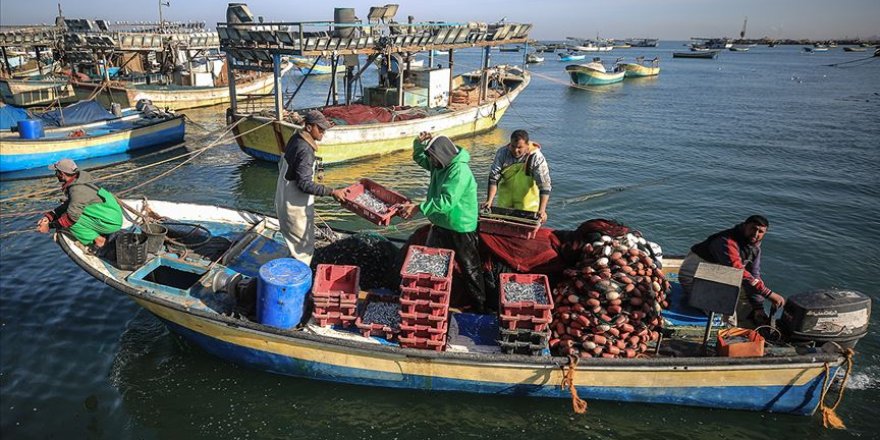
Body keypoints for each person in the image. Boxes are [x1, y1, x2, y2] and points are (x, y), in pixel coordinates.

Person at [398, 132, 487, 311]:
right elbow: (420, 158)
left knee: (469, 269)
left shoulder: (459, 171)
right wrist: (418, 143)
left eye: (433, 158)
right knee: (429, 261)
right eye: (431, 158)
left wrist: (418, 208)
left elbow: (446, 202)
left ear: (443, 155)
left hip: (460, 226)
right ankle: (428, 300)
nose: (431, 162)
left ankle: (480, 306)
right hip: (440, 223)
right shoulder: (439, 164)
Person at [678, 215, 786, 327]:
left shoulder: (754, 246)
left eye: (760, 231)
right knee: (717, 312)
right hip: (693, 274)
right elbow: (738, 270)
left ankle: (747, 318)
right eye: (753, 228)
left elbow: (754, 274)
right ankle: (723, 329)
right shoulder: (727, 241)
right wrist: (769, 294)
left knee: (739, 298)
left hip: (716, 272)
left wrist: (758, 306)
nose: (755, 234)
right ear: (745, 226)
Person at [275, 110, 346, 265]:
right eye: (319, 128)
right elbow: (304, 184)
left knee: (293, 243)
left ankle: (293, 264)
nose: (323, 132)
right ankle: (301, 276)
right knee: (303, 251)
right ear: (308, 127)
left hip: (282, 198)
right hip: (295, 207)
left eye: (324, 129)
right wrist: (332, 192)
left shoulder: (295, 138)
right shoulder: (305, 150)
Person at [37, 159, 123, 249]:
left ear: (62, 174)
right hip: (111, 215)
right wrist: (49, 217)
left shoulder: (77, 190)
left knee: (70, 220)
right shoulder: (79, 182)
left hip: (111, 222)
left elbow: (70, 219)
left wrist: (49, 226)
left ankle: (99, 241)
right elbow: (69, 205)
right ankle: (97, 233)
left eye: (57, 172)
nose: (55, 174)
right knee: (70, 214)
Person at [481, 129, 552, 223]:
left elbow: (544, 185)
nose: (515, 150)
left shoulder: (536, 157)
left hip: (527, 206)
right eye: (513, 146)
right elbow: (493, 178)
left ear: (527, 145)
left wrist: (542, 210)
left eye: (519, 147)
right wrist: (489, 201)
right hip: (505, 202)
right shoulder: (502, 153)